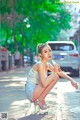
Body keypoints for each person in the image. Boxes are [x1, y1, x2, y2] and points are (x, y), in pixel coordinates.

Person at [25, 43, 78, 110]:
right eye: (45, 52)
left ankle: (41, 98)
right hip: (31, 91)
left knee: (56, 77)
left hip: (37, 89)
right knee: (53, 76)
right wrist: (55, 72)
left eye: (50, 50)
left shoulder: (47, 64)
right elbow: (44, 84)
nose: (49, 53)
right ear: (40, 54)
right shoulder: (40, 64)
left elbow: (59, 72)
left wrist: (71, 80)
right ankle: (39, 99)